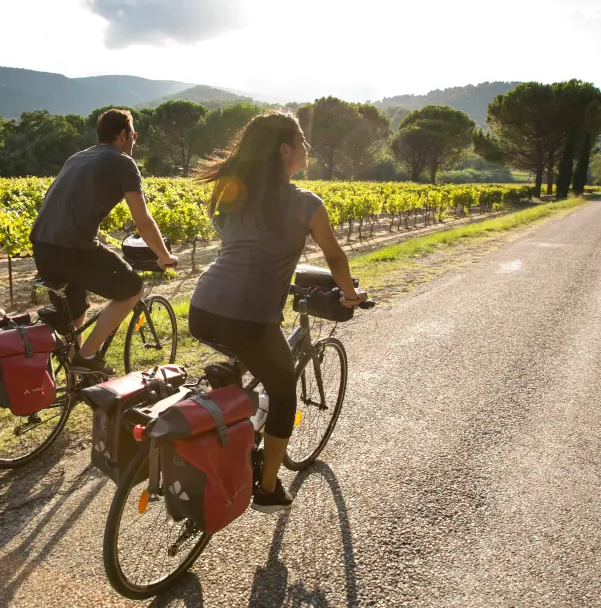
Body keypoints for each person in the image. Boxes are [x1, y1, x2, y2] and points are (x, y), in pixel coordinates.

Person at [189, 111, 367, 513]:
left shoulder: (233, 190)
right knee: (284, 391)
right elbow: (335, 258)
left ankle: (228, 396)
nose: (308, 148)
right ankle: (267, 488)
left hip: (203, 308)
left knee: (247, 355)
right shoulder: (306, 203)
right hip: (249, 317)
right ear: (286, 150)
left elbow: (243, 249)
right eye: (302, 141)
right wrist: (351, 295)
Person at [31, 109, 178, 377]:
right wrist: (164, 255)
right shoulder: (123, 162)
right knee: (132, 287)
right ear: (123, 135)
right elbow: (143, 220)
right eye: (133, 134)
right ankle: (86, 357)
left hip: (42, 244)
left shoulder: (78, 157)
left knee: (77, 309)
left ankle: (75, 378)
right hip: (73, 247)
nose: (135, 140)